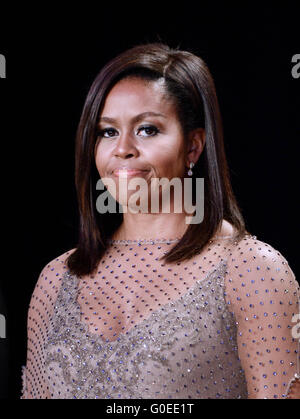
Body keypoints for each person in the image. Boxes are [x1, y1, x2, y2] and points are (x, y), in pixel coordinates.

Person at [21, 43, 299, 399]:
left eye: (147, 129)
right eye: (107, 131)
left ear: (193, 147)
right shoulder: (56, 279)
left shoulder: (251, 270)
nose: (123, 149)